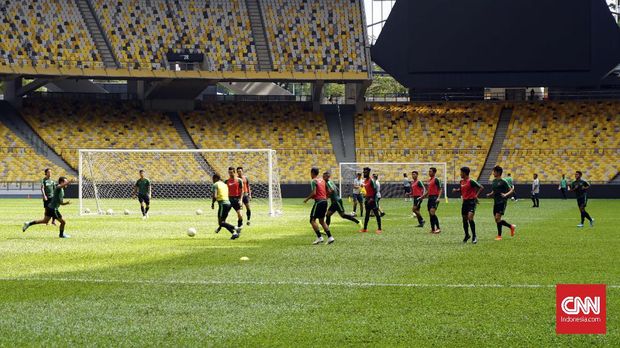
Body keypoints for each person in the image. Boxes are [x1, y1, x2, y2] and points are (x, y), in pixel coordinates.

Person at [452, 167, 483, 244]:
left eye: (461, 172)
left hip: (471, 202)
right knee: (464, 219)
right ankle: (467, 235)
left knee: (470, 218)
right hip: (465, 202)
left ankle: (474, 236)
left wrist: (476, 195)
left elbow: (481, 187)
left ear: (465, 173)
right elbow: (462, 190)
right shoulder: (461, 182)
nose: (460, 174)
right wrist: (456, 190)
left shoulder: (471, 181)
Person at [485, 166, 516, 241]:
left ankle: (499, 236)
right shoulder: (494, 181)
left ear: (498, 172)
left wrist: (505, 195)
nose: (493, 173)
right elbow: (494, 191)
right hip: (496, 202)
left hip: (502, 202)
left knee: (497, 218)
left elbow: (512, 190)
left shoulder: (503, 181)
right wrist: (490, 194)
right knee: (497, 220)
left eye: (494, 172)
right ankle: (511, 226)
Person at [303, 167, 333, 245]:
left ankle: (319, 237)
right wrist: (325, 197)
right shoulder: (322, 180)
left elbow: (314, 193)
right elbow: (329, 191)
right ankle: (330, 237)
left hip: (319, 202)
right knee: (322, 221)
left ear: (312, 173)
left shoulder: (314, 181)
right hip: (325, 202)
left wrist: (307, 199)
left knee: (312, 220)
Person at [211, 173, 241, 239]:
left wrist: (212, 203)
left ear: (215, 178)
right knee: (223, 222)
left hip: (223, 204)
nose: (212, 180)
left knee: (221, 222)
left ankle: (236, 228)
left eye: (213, 179)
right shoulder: (224, 184)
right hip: (228, 203)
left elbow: (215, 196)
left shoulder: (215, 184)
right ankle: (234, 233)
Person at [360, 167, 382, 234]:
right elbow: (366, 190)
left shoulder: (371, 180)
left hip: (372, 200)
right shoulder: (365, 181)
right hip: (367, 199)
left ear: (368, 173)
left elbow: (375, 191)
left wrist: (372, 199)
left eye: (365, 172)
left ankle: (379, 229)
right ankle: (365, 228)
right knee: (367, 214)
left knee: (376, 214)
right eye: (363, 172)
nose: (364, 173)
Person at [422, 167, 442, 234]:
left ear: (434, 172)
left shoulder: (436, 179)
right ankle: (433, 229)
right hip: (430, 198)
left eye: (430, 171)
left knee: (432, 212)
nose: (429, 172)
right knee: (430, 214)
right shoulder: (429, 180)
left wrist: (438, 197)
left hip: (435, 198)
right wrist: (423, 196)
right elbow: (428, 191)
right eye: (429, 171)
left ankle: (438, 228)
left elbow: (440, 189)